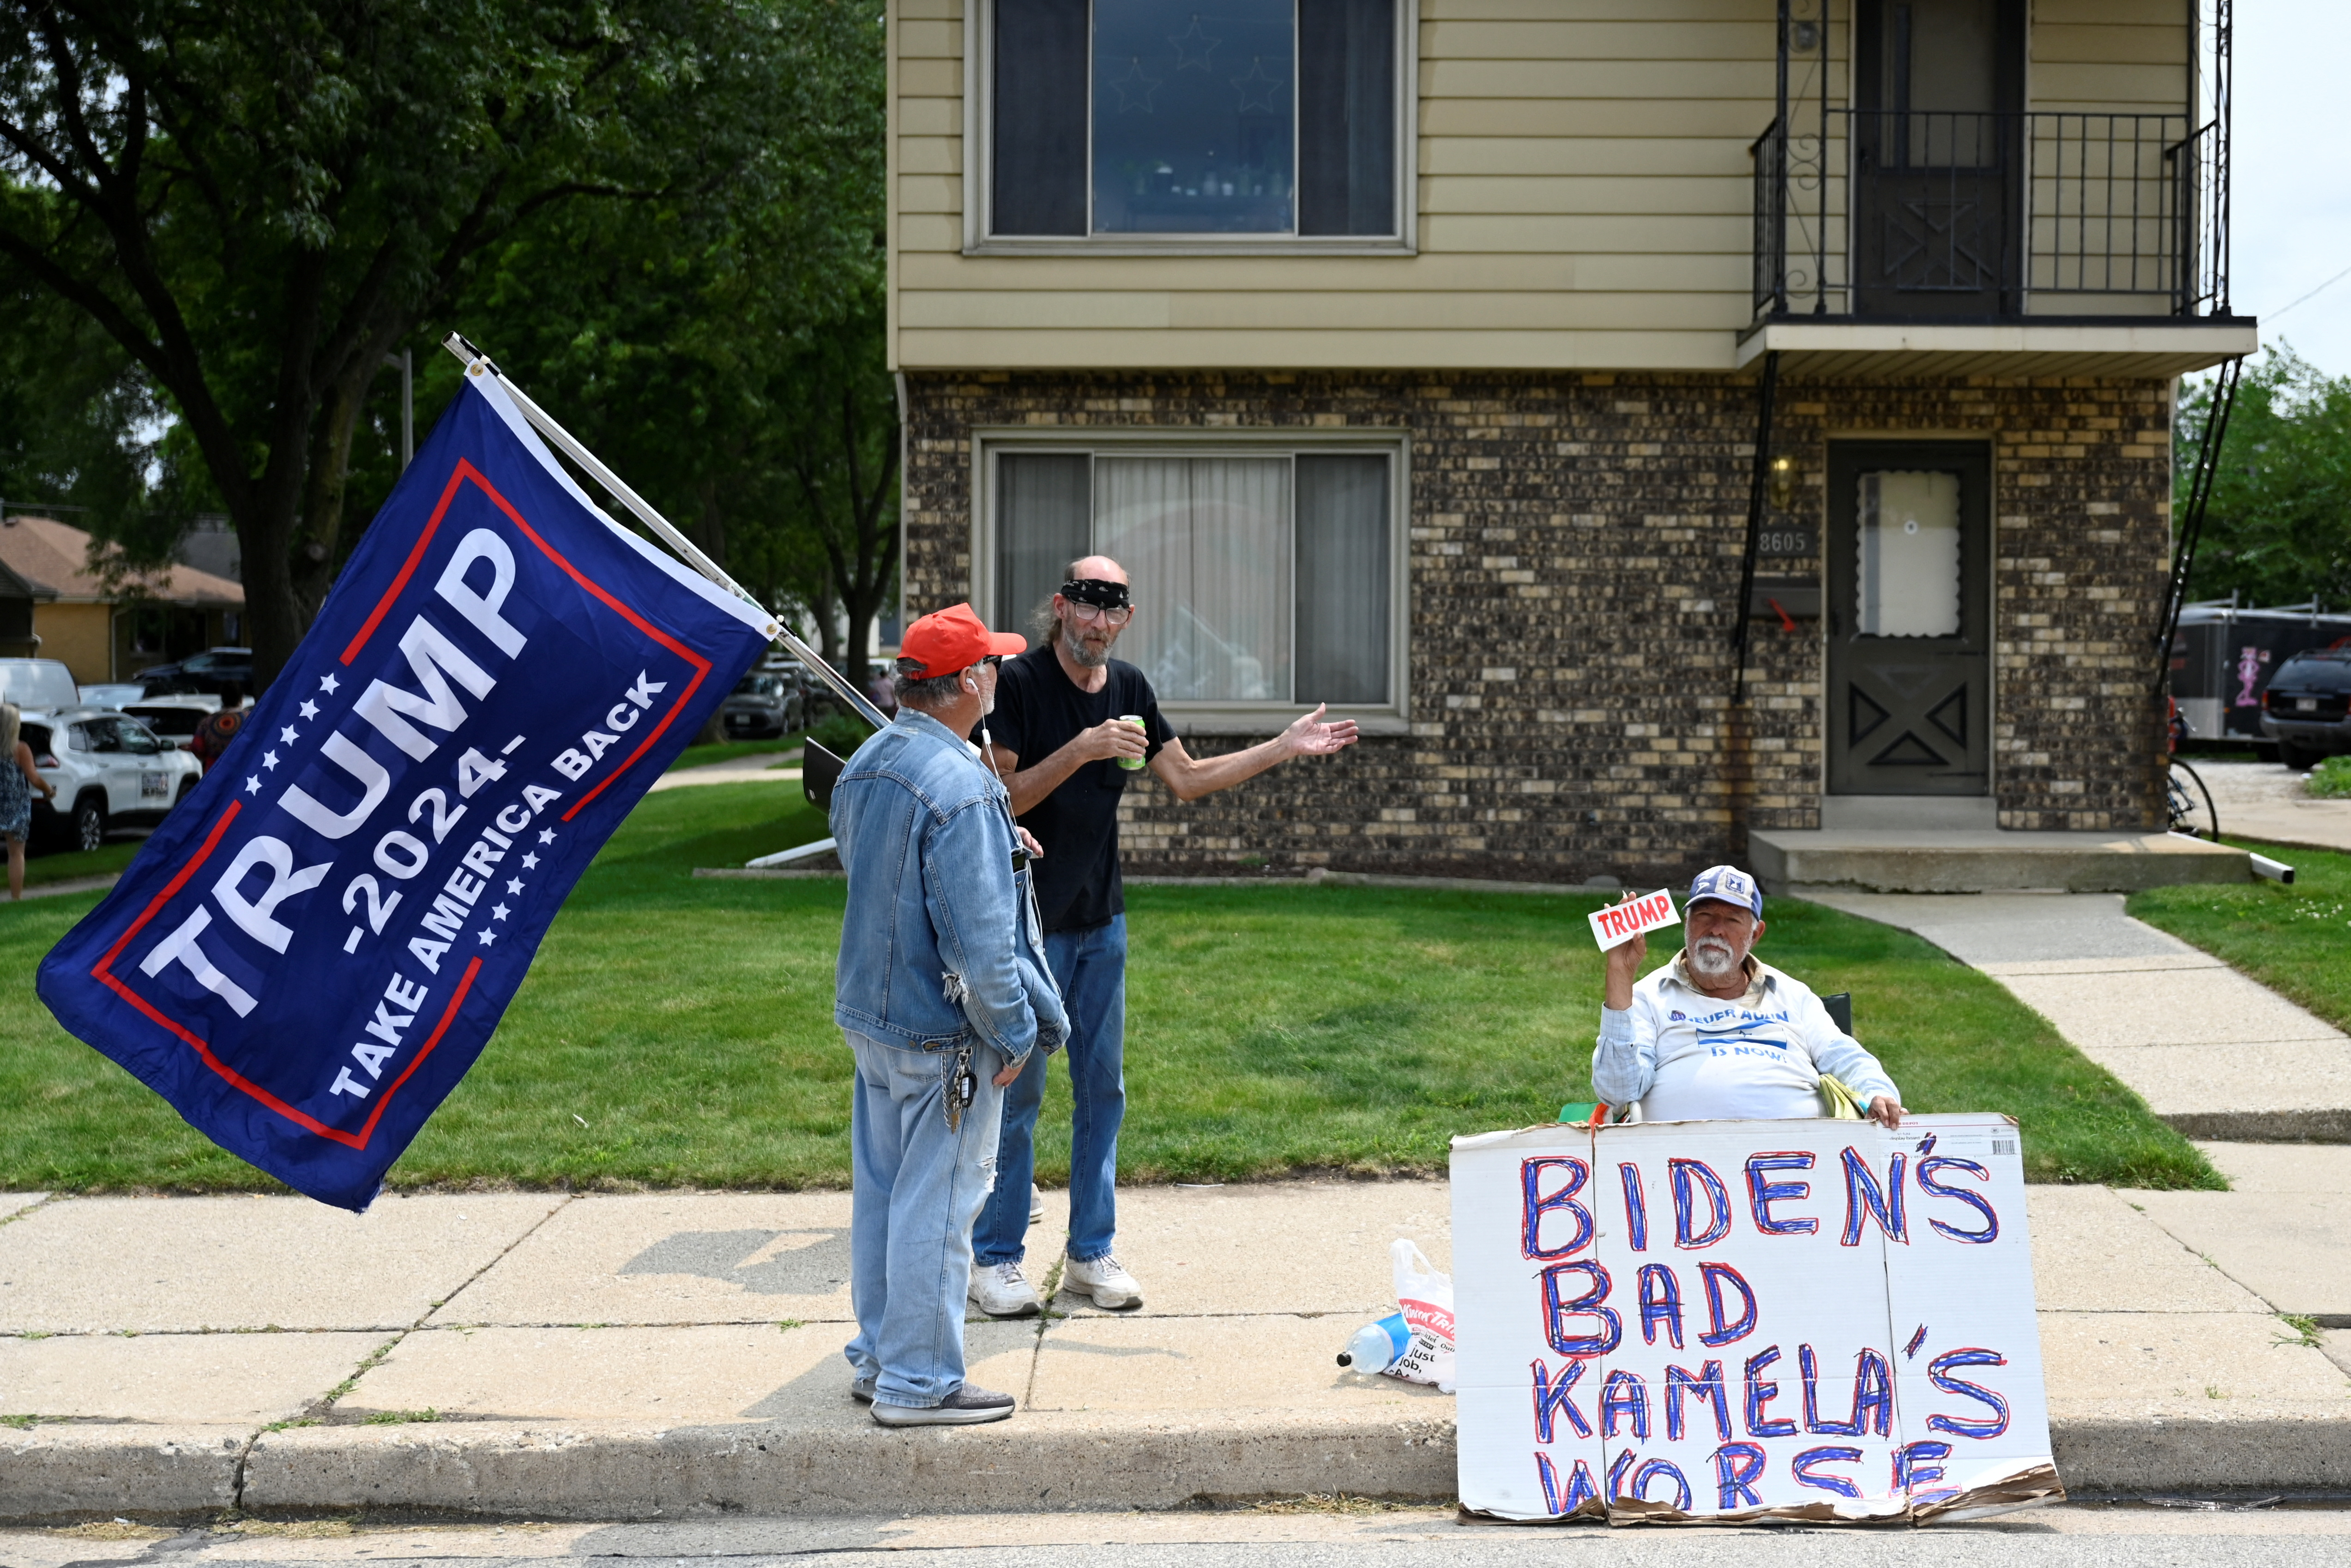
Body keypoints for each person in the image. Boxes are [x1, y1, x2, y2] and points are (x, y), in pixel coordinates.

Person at [967, 556, 1360, 1317]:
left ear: (1125, 617)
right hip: (1026, 926)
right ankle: (996, 1260)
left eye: (1112, 607)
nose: (1098, 619)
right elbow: (999, 797)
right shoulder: (1018, 684)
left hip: (1100, 922)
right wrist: (1081, 749)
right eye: (1085, 603)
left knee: (1102, 1090)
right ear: (1062, 607)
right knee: (1021, 1096)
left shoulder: (1131, 690)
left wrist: (1281, 746)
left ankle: (1088, 1253)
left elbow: (1185, 778)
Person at [831, 602, 1067, 1427]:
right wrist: (1011, 1033)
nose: (1002, 674)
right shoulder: (964, 786)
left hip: (872, 1016)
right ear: (969, 682)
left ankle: (879, 1358)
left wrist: (1000, 843)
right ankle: (920, 1381)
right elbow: (978, 946)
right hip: (943, 1032)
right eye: (993, 664)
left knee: (886, 1197)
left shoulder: (867, 760)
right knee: (939, 1207)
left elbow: (885, 871)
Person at [1592, 865, 1905, 1127]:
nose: (1716, 930)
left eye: (1732, 920)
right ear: (1687, 923)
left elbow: (1846, 1057)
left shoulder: (1792, 994)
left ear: (1756, 934)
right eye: (1704, 915)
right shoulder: (1649, 996)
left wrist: (1878, 1093)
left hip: (1803, 1162)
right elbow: (1619, 1091)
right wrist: (1620, 975)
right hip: (1682, 1170)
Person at [2, 702, 58, 901]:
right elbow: (34, 778)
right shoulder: (20, 749)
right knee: (16, 854)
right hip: (15, 806)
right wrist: (49, 791)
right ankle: (16, 899)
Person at [189, 686, 246, 773]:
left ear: (222, 699)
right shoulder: (250, 720)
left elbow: (198, 747)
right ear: (241, 699)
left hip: (214, 773)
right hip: (244, 773)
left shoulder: (208, 721)